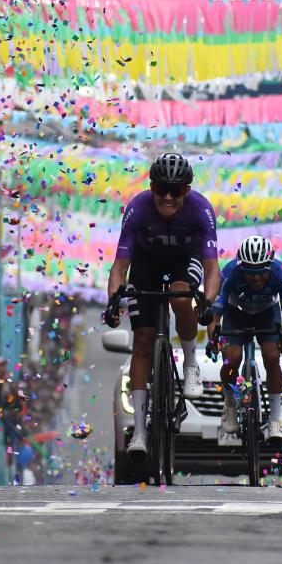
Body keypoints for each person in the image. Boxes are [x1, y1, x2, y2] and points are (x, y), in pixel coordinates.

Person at [104, 153, 220, 457]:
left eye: (177, 191)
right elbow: (119, 268)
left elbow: (211, 269)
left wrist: (207, 302)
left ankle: (191, 364)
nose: (168, 197)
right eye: (161, 190)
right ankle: (140, 432)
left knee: (182, 297)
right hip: (146, 263)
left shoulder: (201, 209)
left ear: (188, 191)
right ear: (152, 187)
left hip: (186, 259)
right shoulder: (138, 208)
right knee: (142, 342)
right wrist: (114, 301)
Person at [205, 235, 282, 440]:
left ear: (270, 266)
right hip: (235, 313)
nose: (256, 278)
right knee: (232, 359)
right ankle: (230, 402)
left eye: (261, 273)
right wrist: (213, 339)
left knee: (272, 357)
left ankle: (274, 420)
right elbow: (215, 314)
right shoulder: (229, 272)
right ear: (241, 267)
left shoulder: (281, 273)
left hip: (267, 314)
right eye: (250, 273)